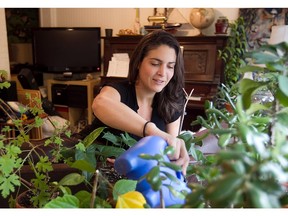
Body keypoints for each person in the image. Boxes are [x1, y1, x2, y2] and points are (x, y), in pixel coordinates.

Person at [79, 30, 190, 175]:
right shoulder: (118, 90)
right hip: (91, 171)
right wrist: (152, 131)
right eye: (155, 64)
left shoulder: (173, 100)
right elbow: (100, 103)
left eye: (170, 66)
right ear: (138, 63)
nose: (163, 73)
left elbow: (169, 150)